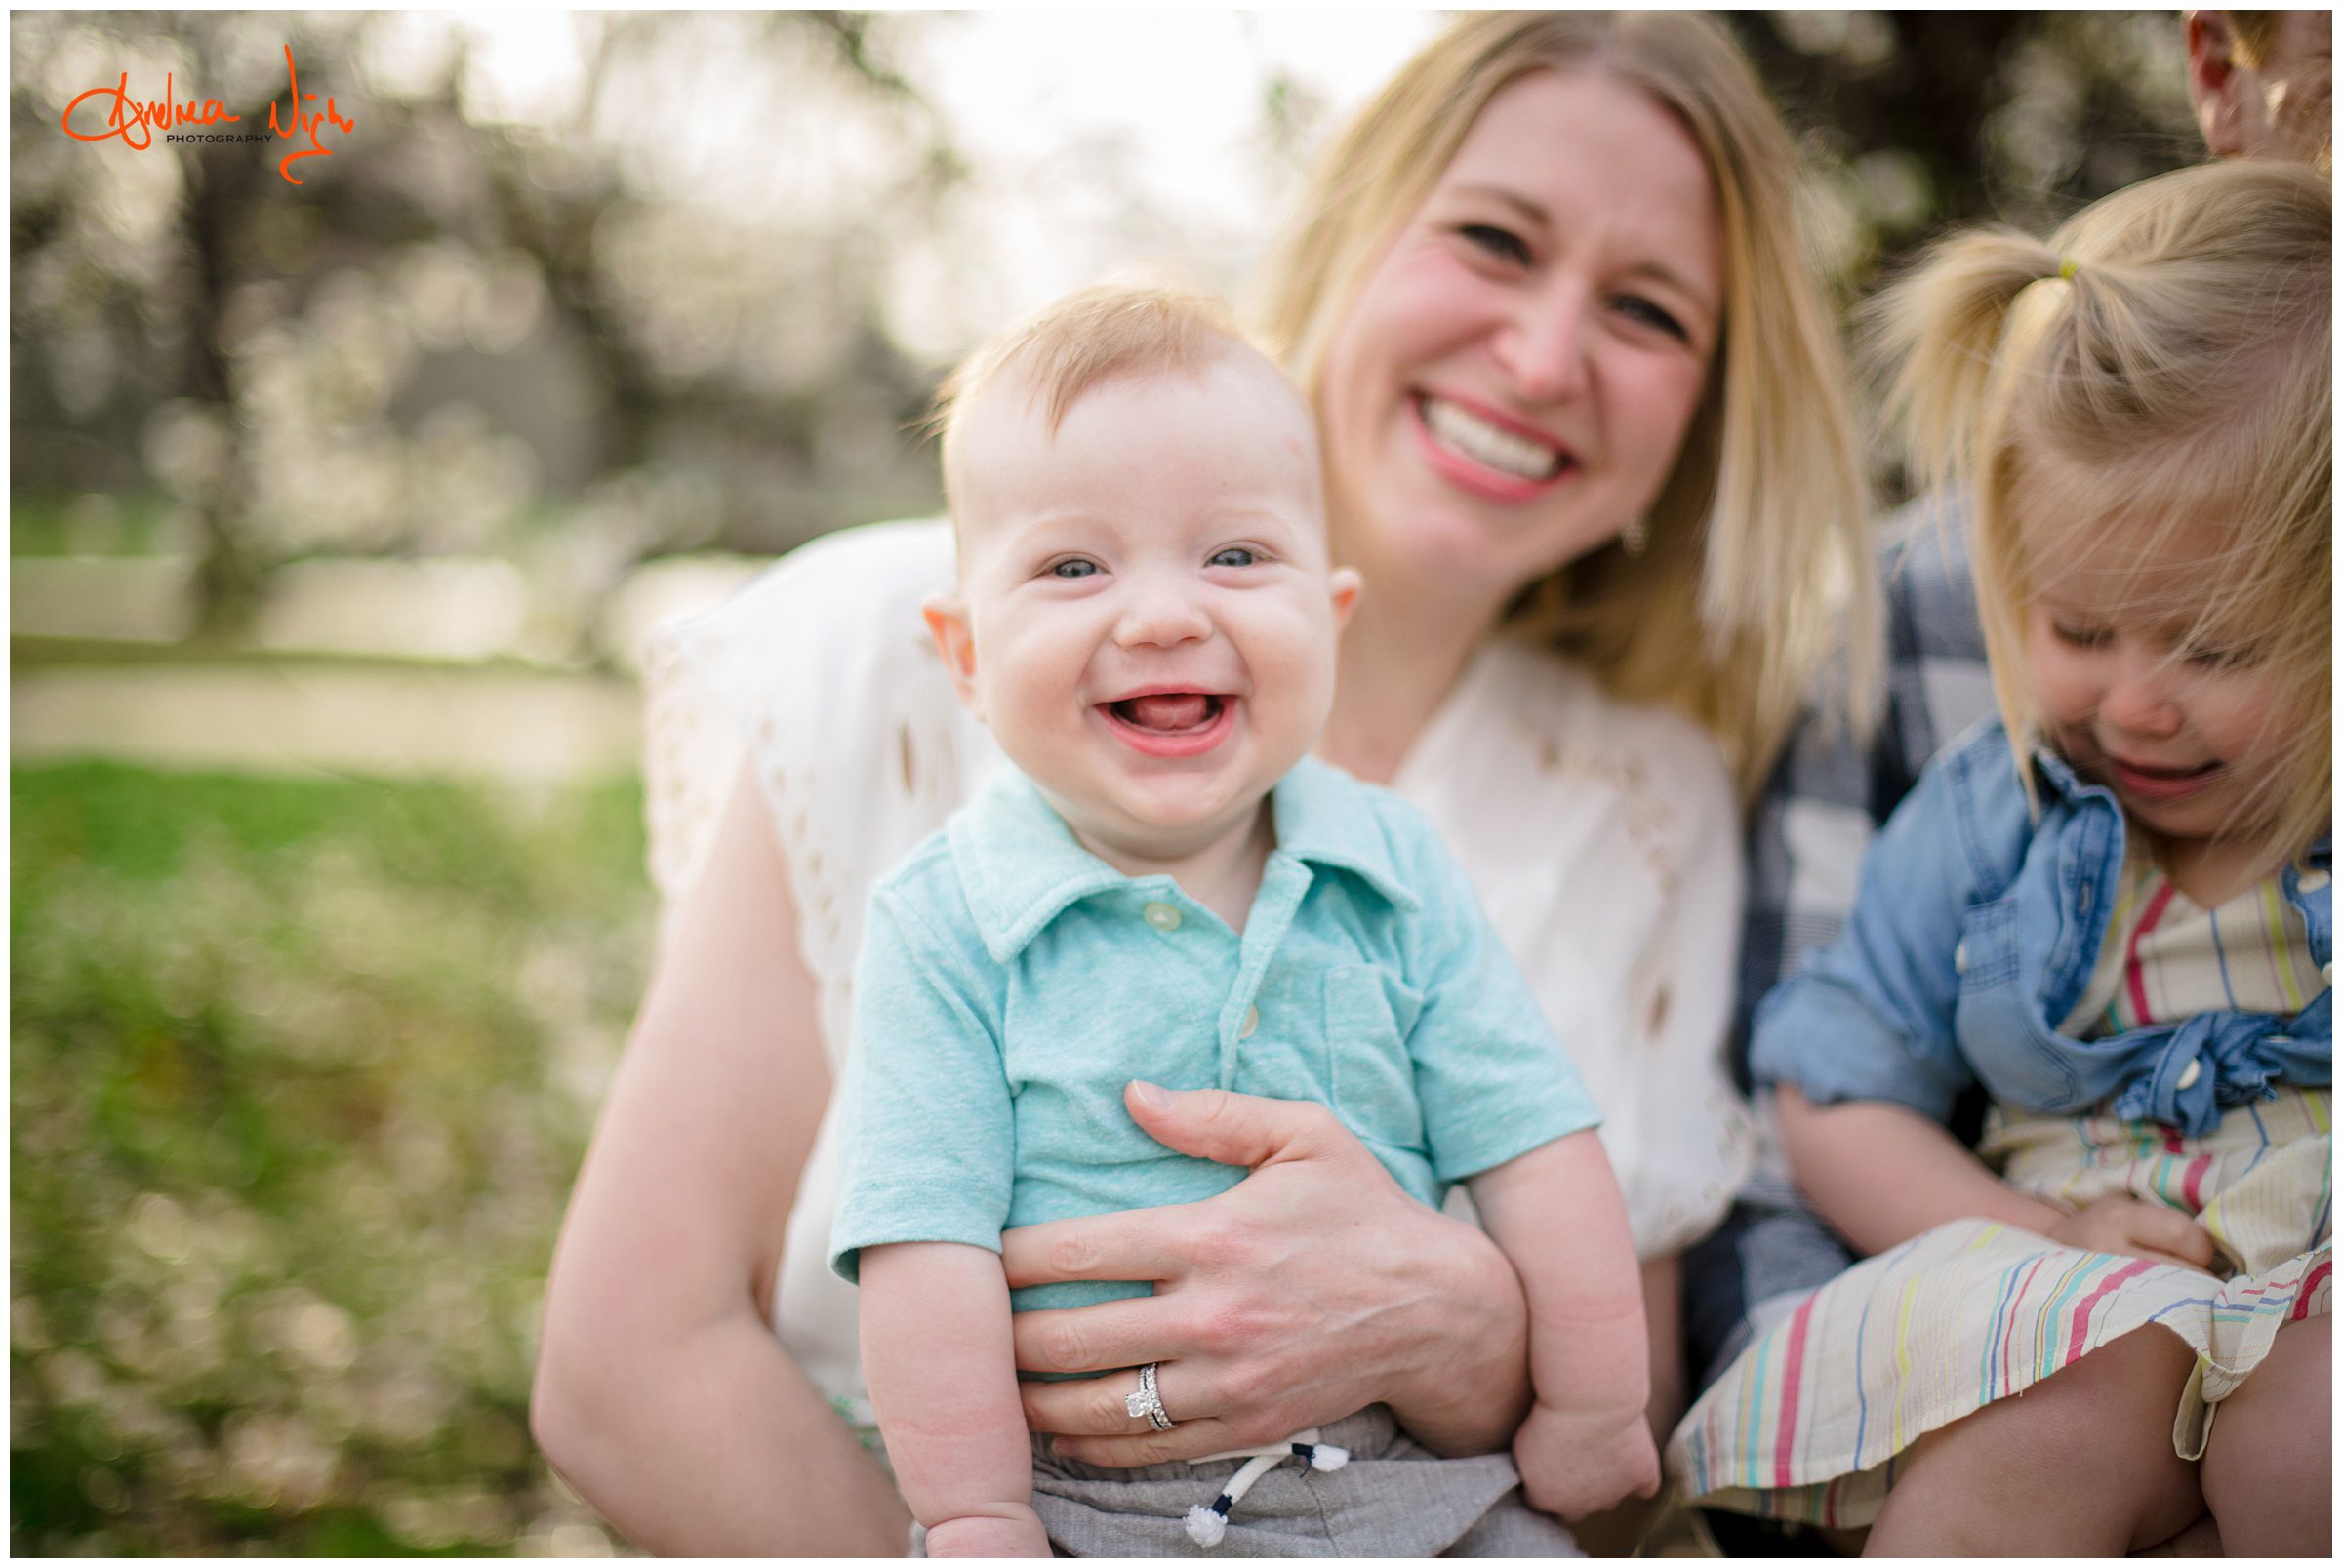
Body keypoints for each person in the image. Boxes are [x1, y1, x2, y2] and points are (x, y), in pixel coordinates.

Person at [530, 13, 1874, 1554]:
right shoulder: (879, 661)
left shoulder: (1650, 803)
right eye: (1496, 241)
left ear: (1705, 406)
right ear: (1355, 234)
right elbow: (631, 1371)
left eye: (1646, 311)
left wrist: (1456, 1325)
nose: (1546, 354)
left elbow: (1623, 1465)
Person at [836, 283, 1653, 1557]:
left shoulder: (1392, 870)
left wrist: (1598, 1402)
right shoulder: (949, 926)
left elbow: (1538, 1140)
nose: (1164, 614)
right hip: (1093, 1510)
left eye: (1234, 555)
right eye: (1072, 565)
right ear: (966, 658)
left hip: (1416, 1496)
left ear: (1328, 622)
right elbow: (922, 1245)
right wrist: (976, 1513)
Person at [1683, 14, 2338, 1514]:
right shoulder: (1999, 816)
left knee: (2307, 1444)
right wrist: (2025, 1234)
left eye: (2219, 648)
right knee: (2031, 1441)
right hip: (2071, 1296)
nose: (2137, 704)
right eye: (2076, 626)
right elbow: (1832, 1090)